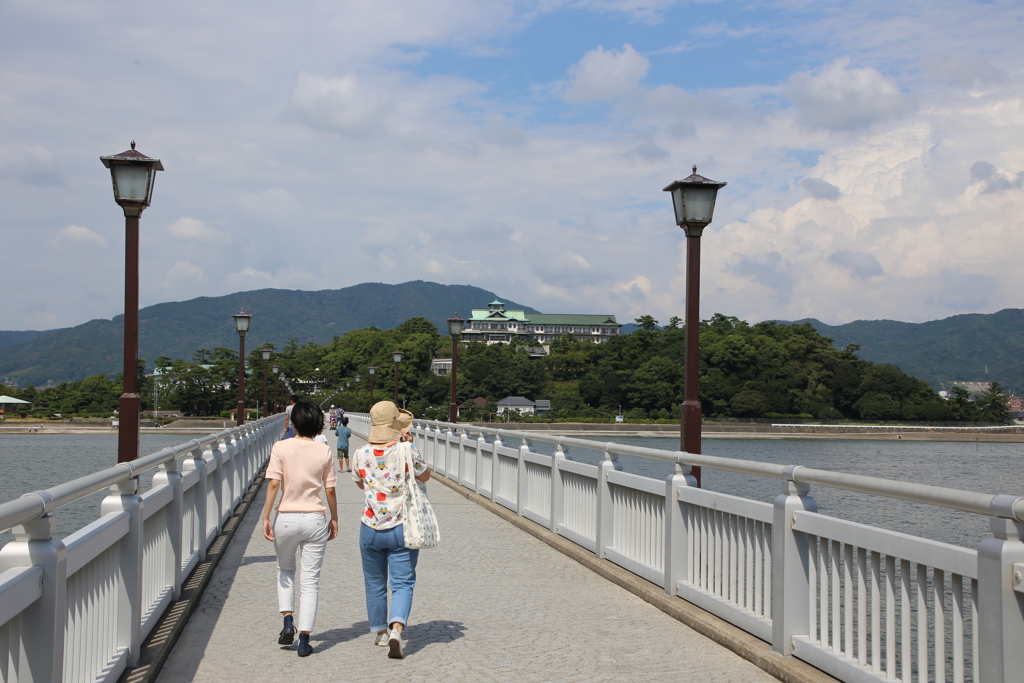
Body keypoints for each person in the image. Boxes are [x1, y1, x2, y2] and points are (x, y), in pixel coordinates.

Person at [260, 400, 339, 657]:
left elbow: (273, 485)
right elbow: (329, 489)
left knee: (285, 570)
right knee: (311, 581)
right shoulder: (324, 450)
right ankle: (305, 639)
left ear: (293, 423)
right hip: (315, 518)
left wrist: (266, 516)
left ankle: (287, 622)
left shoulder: (280, 447)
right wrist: (334, 518)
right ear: (319, 425)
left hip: (287, 517)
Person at [352, 401, 431, 659]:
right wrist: (409, 445)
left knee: (374, 583)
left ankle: (379, 634)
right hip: (402, 526)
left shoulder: (360, 453)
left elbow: (361, 483)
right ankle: (397, 628)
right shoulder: (406, 449)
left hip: (370, 526)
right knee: (403, 583)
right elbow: (425, 476)